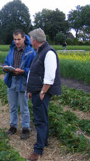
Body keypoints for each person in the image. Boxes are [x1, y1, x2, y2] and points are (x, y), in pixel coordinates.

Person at [27, 28, 61, 161]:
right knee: (42, 117)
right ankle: (44, 141)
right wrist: (31, 90)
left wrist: (42, 92)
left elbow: (50, 76)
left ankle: (38, 150)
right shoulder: (40, 51)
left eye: (30, 38)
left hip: (42, 92)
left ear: (35, 40)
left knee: (40, 120)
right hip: (36, 91)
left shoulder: (49, 53)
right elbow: (35, 72)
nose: (30, 41)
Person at [3, 29, 35, 139]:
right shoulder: (12, 50)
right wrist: (6, 68)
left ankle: (25, 129)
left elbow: (33, 70)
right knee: (12, 107)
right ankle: (13, 127)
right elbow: (6, 62)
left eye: (19, 39)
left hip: (23, 82)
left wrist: (22, 71)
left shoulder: (30, 52)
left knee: (24, 108)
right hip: (12, 81)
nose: (17, 42)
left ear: (24, 38)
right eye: (15, 39)